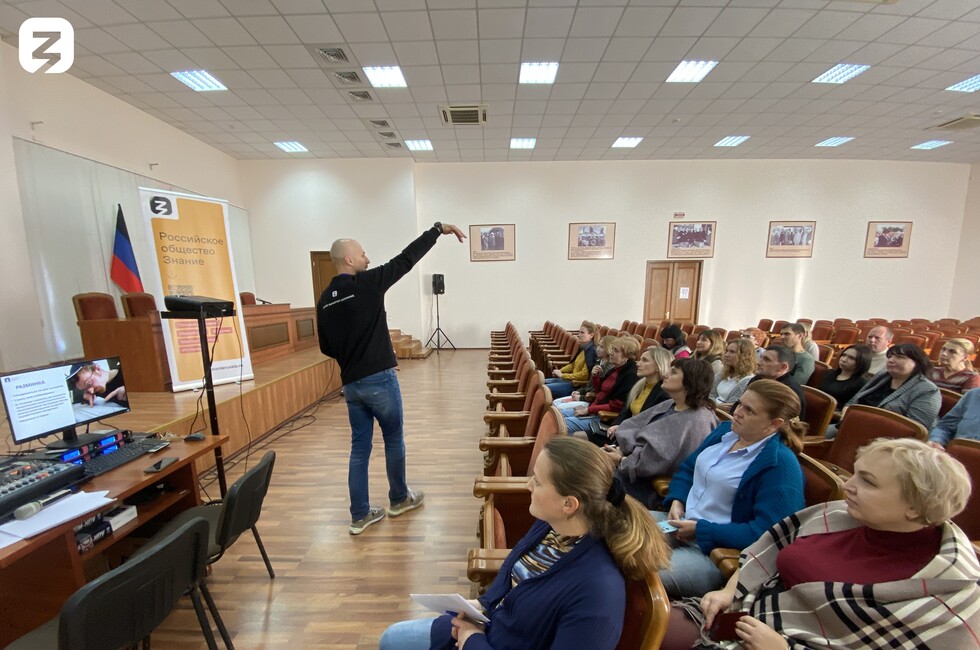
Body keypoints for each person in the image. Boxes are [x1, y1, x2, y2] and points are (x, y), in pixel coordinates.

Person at [663, 438, 980, 650]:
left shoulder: (947, 594)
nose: (847, 485)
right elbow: (764, 555)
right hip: (742, 615)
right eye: (855, 474)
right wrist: (729, 590)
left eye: (867, 481)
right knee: (641, 616)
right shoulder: (838, 515)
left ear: (915, 505)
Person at [377, 437, 671, 650]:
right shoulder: (552, 524)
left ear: (569, 503)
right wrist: (482, 604)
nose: (529, 485)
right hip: (489, 625)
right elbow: (512, 571)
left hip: (486, 640)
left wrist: (472, 641)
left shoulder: (597, 592)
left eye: (538, 481)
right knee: (391, 638)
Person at [317, 222, 465, 535]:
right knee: (393, 437)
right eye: (362, 254)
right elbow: (405, 260)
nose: (368, 259)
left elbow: (326, 347)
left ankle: (360, 515)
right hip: (379, 380)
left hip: (351, 385)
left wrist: (351, 357)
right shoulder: (367, 284)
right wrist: (436, 230)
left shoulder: (324, 300)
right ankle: (399, 499)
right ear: (349, 260)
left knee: (359, 448)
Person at [653, 379, 806, 598]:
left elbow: (768, 534)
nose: (737, 412)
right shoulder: (726, 432)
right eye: (740, 404)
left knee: (639, 572)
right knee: (613, 530)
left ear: (773, 424)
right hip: (679, 523)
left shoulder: (780, 465)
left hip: (714, 552)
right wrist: (678, 499)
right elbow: (688, 468)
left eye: (749, 410)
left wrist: (702, 530)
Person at [603, 359, 719, 509]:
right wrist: (621, 451)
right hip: (630, 465)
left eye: (674, 372)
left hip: (648, 485)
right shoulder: (671, 404)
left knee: (586, 477)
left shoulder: (696, 420)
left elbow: (652, 463)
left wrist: (621, 460)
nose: (665, 374)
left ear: (691, 381)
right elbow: (632, 427)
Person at [831, 342, 941, 437]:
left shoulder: (928, 390)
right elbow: (853, 401)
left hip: (888, 441)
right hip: (853, 427)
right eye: (890, 357)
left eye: (899, 357)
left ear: (917, 362)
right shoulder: (883, 376)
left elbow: (916, 431)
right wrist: (846, 416)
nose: (891, 360)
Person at [561, 337, 639, 433]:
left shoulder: (630, 374)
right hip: (595, 408)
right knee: (558, 415)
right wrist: (595, 377)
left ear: (626, 356)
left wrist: (588, 410)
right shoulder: (616, 369)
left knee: (562, 425)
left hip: (605, 417)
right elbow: (599, 391)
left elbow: (617, 405)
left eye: (616, 351)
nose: (611, 352)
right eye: (612, 349)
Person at [726, 345, 806, 419]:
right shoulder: (757, 379)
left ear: (782, 367)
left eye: (766, 360)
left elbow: (783, 426)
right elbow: (738, 405)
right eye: (761, 358)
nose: (758, 363)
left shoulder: (790, 392)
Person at [606, 346, 674, 429]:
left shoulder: (664, 394)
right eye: (640, 359)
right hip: (622, 432)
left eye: (644, 360)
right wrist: (616, 425)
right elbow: (625, 412)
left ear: (658, 365)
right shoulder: (639, 385)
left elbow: (650, 426)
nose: (638, 363)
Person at [544, 321, 599, 399]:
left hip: (577, 385)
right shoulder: (583, 348)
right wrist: (561, 371)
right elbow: (573, 365)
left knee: (544, 389)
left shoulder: (592, 351)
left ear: (591, 335)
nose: (579, 335)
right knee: (541, 382)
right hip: (570, 380)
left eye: (582, 333)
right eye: (579, 332)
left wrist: (563, 375)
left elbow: (584, 375)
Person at [712, 339, 756, 407]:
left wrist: (713, 405)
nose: (726, 355)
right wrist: (716, 406)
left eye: (732, 352)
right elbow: (709, 393)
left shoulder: (748, 380)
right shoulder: (724, 372)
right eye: (727, 351)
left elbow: (732, 406)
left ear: (744, 356)